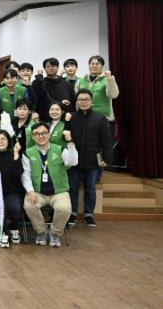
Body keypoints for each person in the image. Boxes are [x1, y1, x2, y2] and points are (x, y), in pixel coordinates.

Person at [22, 122, 78, 248]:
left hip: (59, 192)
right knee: (29, 206)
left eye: (43, 133)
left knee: (64, 208)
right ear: (33, 136)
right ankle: (41, 232)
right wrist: (30, 191)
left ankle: (55, 233)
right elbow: (25, 174)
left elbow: (73, 162)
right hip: (37, 192)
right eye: (36, 134)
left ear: (49, 134)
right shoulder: (28, 153)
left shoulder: (60, 149)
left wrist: (70, 142)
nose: (40, 136)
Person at [67, 89, 114, 228]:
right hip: (74, 160)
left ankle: (88, 215)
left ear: (91, 101)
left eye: (86, 99)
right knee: (72, 188)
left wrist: (106, 158)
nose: (83, 102)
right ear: (77, 102)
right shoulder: (71, 117)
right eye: (80, 100)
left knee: (90, 189)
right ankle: (72, 213)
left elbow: (107, 140)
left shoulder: (100, 118)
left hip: (93, 160)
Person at [76, 55, 119, 121]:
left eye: (97, 64)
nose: (94, 66)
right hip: (83, 116)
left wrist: (110, 79)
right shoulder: (81, 81)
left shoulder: (107, 80)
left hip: (101, 117)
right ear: (89, 66)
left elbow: (113, 95)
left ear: (102, 66)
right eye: (92, 64)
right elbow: (76, 100)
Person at [32, 57, 75, 122]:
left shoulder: (67, 84)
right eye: (48, 66)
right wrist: (39, 76)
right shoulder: (40, 83)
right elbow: (36, 98)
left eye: (53, 66)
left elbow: (73, 102)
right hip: (44, 120)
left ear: (57, 67)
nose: (51, 68)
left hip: (64, 120)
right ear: (44, 68)